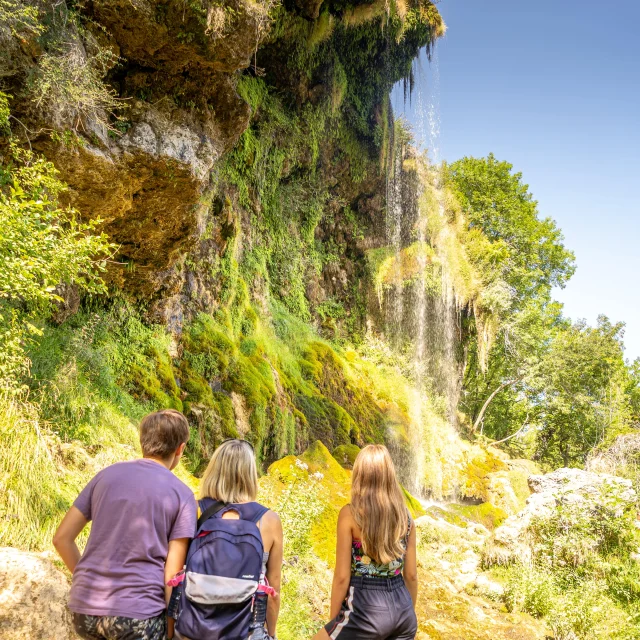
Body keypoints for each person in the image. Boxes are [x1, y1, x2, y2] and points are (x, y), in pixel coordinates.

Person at [53, 409, 197, 640]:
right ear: (180, 449)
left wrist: (84, 580)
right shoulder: (182, 495)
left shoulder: (105, 477)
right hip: (140, 616)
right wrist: (171, 629)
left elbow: (61, 539)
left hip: (85, 610)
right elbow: (172, 573)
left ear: (143, 442)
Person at [175, 439, 283, 640]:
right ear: (250, 474)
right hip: (245, 631)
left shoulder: (195, 509)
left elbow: (174, 571)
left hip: (193, 628)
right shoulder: (269, 520)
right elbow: (273, 589)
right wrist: (272, 633)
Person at [313, 445, 418, 640]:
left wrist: (334, 621)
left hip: (367, 608)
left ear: (359, 475)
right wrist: (406, 613)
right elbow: (411, 576)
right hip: (404, 611)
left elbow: (342, 578)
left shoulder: (350, 515)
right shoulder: (406, 517)